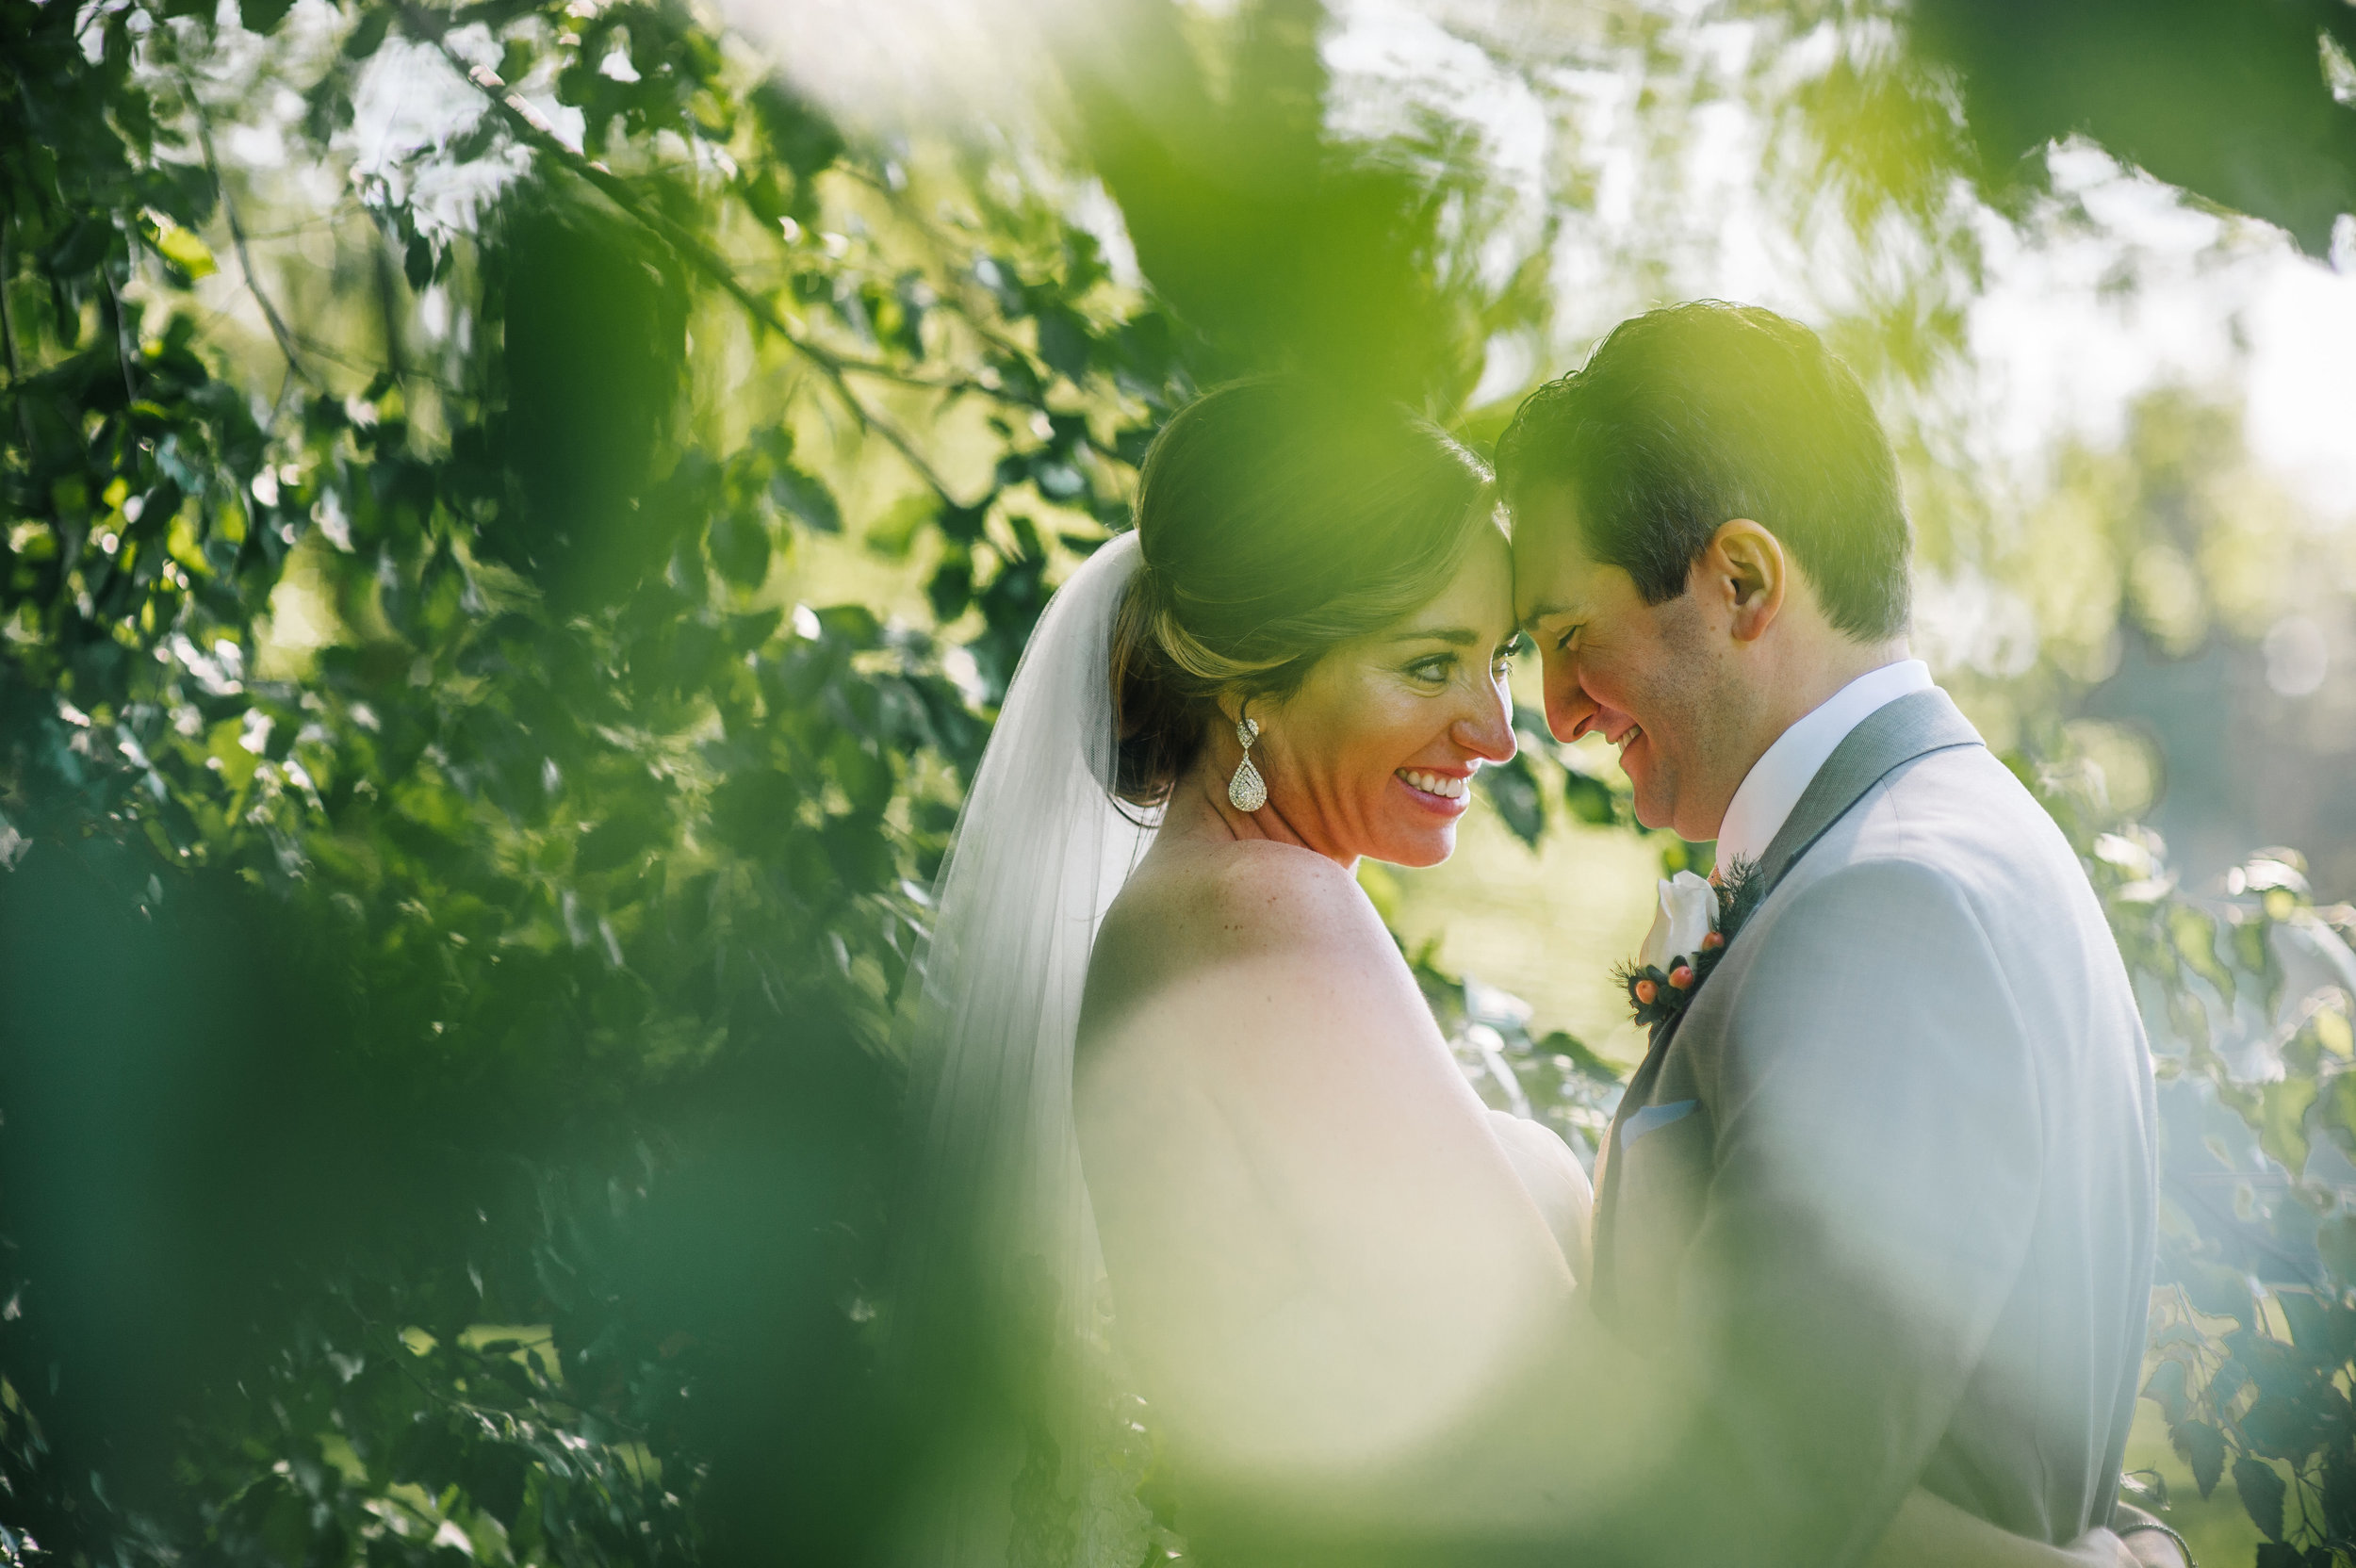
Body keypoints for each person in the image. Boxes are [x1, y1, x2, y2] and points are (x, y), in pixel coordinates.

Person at [890, 377, 2174, 1567]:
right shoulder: (1255, 918)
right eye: (1428, 664)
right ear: (1252, 681)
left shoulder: (1235, 908)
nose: (1503, 729)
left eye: (1498, 657)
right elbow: (1599, 1445)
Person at [1496, 302, 2170, 1567]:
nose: (1557, 712)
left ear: (1740, 582)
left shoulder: (1892, 909)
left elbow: (1752, 1509)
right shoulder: (1940, 848)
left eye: (1572, 639)